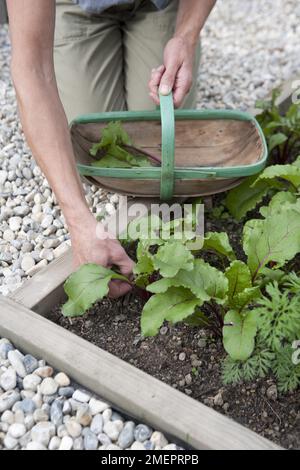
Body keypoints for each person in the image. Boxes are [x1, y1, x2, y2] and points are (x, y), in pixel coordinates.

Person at [6, 0, 216, 297]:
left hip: (158, 5)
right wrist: (79, 222)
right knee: (97, 145)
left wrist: (186, 35)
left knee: (155, 146)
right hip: (81, 9)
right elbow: (32, 70)